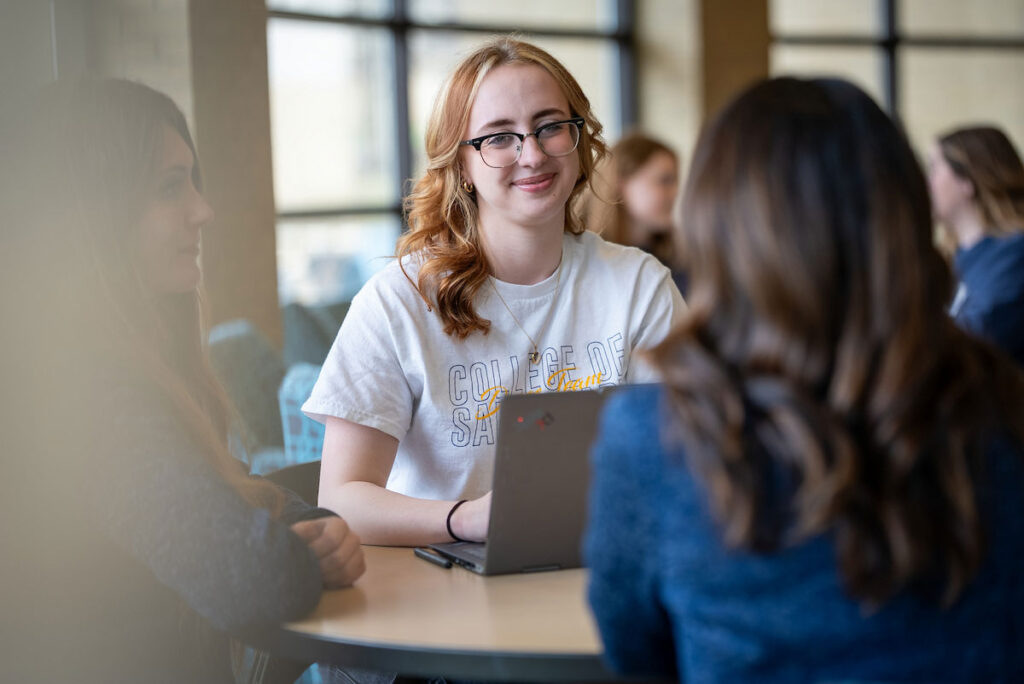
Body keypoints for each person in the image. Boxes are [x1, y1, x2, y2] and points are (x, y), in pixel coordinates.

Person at [584, 77, 1024, 682]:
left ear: (721, 225)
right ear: (904, 214)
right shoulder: (997, 396)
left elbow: (636, 654)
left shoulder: (656, 435)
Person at [0, 78, 364, 683]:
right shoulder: (79, 394)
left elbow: (223, 486)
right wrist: (302, 554)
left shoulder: (132, 368)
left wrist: (302, 522)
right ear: (95, 215)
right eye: (171, 187)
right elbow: (256, 579)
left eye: (193, 182)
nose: (203, 209)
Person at [304, 37, 685, 547]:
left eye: (550, 126)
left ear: (579, 140)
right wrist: (464, 519)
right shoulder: (398, 300)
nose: (532, 153)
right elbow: (343, 496)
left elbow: (687, 461)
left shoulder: (639, 286)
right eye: (498, 137)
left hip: (603, 572)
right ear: (460, 163)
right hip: (441, 587)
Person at [927, 125, 1024, 365]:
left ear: (967, 181)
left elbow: (978, 338)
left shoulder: (1015, 254)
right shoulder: (951, 257)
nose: (925, 182)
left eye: (933, 169)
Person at [589, 132, 682, 273]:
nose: (675, 192)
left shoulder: (680, 260)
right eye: (664, 181)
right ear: (621, 185)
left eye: (675, 181)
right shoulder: (589, 260)